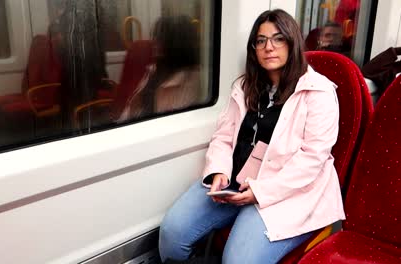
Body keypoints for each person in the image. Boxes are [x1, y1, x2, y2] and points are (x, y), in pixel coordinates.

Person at [158, 9, 345, 264]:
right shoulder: (245, 86)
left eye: (278, 39)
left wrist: (260, 191)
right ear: (254, 49)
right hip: (233, 181)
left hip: (286, 192)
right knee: (171, 234)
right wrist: (219, 172)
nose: (269, 47)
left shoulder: (319, 92)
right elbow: (223, 136)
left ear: (293, 43)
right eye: (261, 40)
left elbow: (312, 160)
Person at [119, 15, 200, 121]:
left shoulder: (192, 80)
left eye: (162, 37)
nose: (154, 42)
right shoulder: (153, 70)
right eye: (156, 36)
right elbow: (130, 111)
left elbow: (174, 127)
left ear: (179, 44)